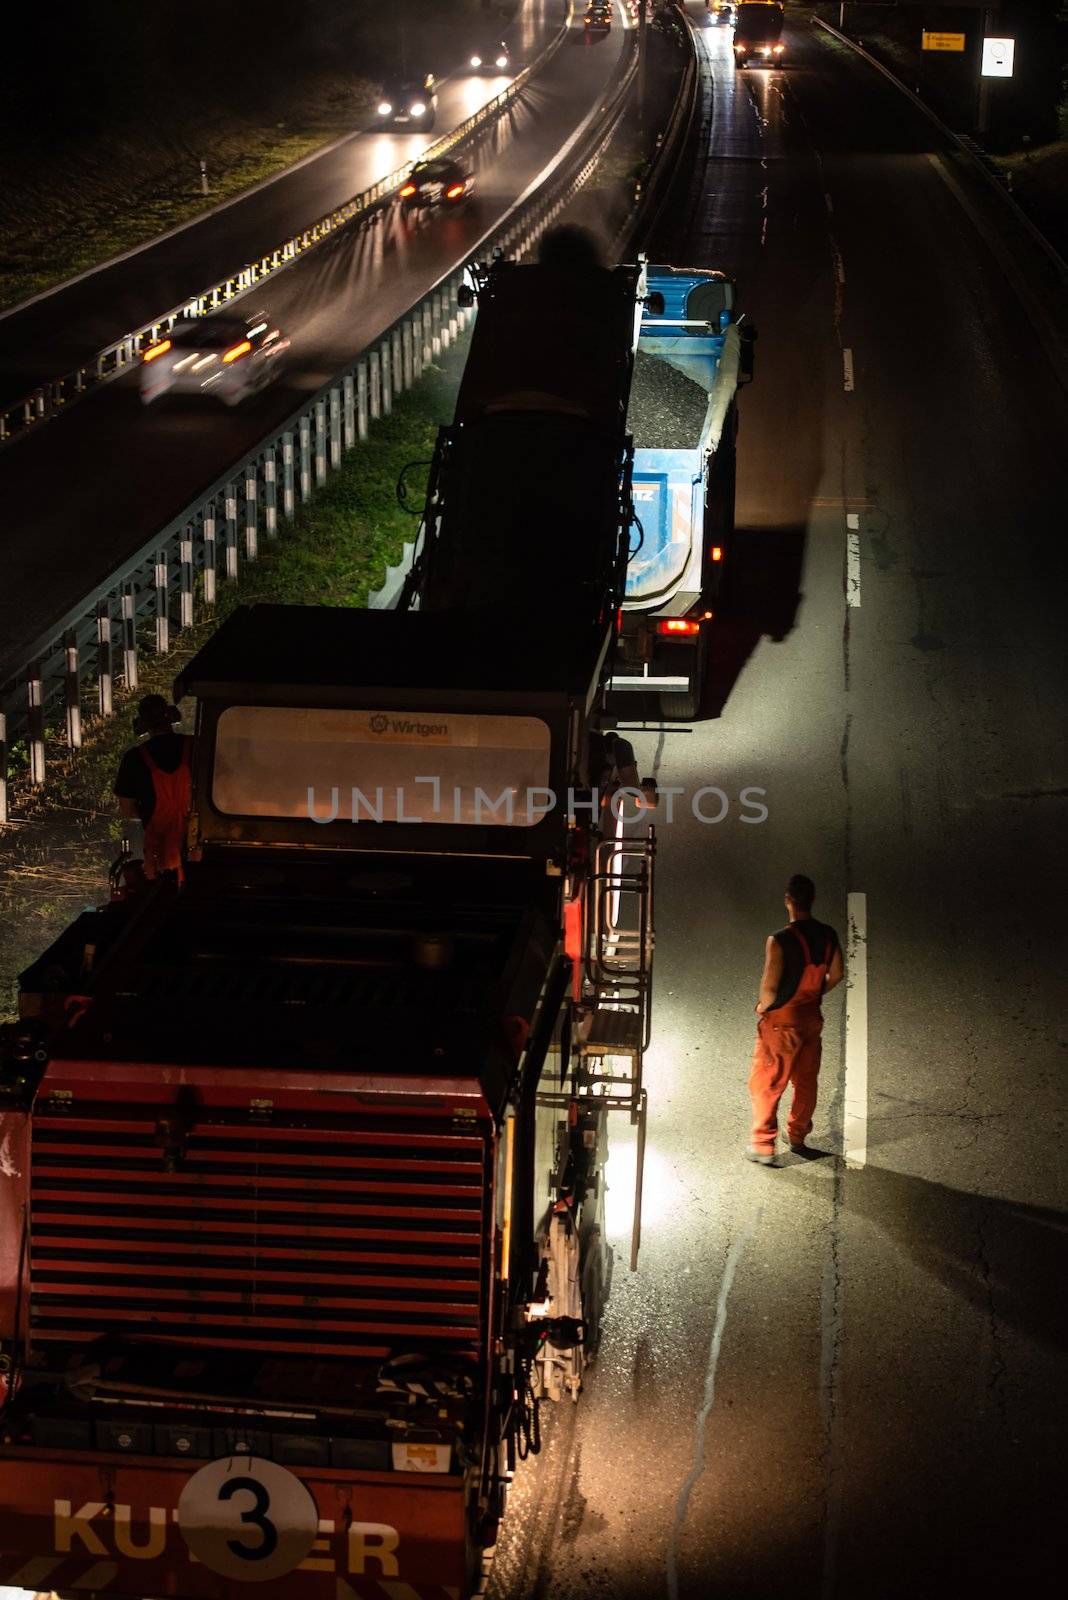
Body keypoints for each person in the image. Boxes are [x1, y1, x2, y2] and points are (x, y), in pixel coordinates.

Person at [746, 874, 844, 1165]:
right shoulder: (828, 935)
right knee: (805, 1081)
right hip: (811, 1018)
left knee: (767, 1082)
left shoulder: (780, 940)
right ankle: (798, 1136)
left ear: (788, 900)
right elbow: (836, 974)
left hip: (782, 1023)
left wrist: (762, 1008)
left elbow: (770, 989)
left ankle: (764, 1146)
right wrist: (814, 995)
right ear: (811, 900)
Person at [113, 694, 193, 881]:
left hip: (160, 848)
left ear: (141, 724)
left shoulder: (134, 758)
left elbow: (128, 810)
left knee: (161, 893)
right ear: (172, 716)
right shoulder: (196, 746)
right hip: (198, 841)